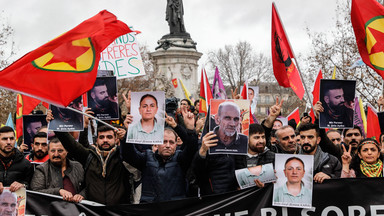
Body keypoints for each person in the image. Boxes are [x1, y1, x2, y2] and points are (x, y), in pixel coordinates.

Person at [47, 110, 132, 205]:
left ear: (116, 139)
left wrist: (125, 139)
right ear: (96, 140)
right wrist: (55, 123)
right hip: (93, 211)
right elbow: (71, 144)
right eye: (101, 137)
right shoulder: (89, 156)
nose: (105, 140)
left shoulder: (121, 157)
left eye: (109, 137)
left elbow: (131, 154)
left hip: (118, 210)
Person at [121, 109, 197, 203]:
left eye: (171, 142)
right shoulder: (147, 158)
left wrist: (189, 129)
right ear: (157, 143)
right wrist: (129, 132)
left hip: (175, 208)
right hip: (151, 209)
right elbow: (128, 155)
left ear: (176, 145)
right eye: (164, 141)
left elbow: (192, 147)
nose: (168, 145)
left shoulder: (181, 159)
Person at [30, 138, 85, 203]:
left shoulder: (78, 166)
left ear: (67, 151)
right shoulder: (42, 169)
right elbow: (35, 192)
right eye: (53, 151)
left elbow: (88, 187)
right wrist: (58, 191)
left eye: (60, 151)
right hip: (52, 209)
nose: (56, 154)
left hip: (78, 209)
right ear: (48, 152)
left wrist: (81, 195)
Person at [0, 126, 33, 193]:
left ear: (15, 140)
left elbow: (32, 187)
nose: (9, 142)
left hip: (17, 202)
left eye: (11, 138)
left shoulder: (26, 164)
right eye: (4, 139)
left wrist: (23, 185)